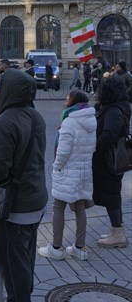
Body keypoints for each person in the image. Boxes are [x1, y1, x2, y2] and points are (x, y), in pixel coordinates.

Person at [0, 69, 48, 302]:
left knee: (11, 263)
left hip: (16, 207)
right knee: (24, 259)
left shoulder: (4, 123)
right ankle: (21, 296)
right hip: (36, 199)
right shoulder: (36, 116)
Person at [38, 91, 96, 261]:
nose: (65, 101)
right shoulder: (91, 121)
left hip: (68, 170)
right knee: (79, 207)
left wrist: (56, 167)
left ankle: (56, 248)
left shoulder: (69, 122)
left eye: (67, 98)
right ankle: (80, 247)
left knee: (58, 207)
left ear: (73, 102)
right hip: (83, 170)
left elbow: (63, 151)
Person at [92, 75, 131, 248]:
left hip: (108, 160)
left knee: (111, 194)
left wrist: (94, 146)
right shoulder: (117, 107)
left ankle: (118, 233)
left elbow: (109, 135)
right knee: (112, 193)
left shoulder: (114, 110)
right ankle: (117, 230)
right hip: (111, 159)